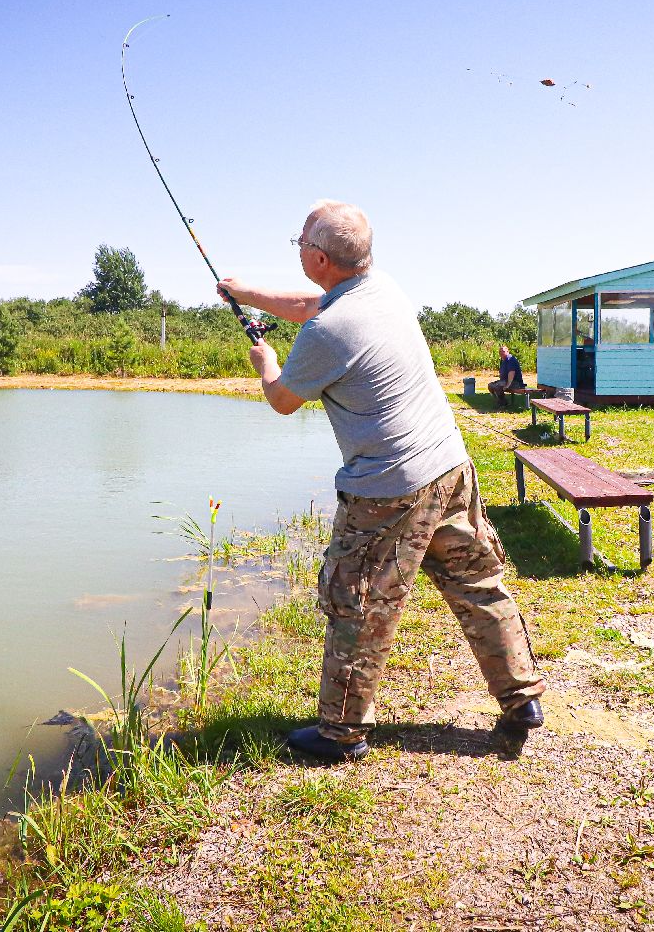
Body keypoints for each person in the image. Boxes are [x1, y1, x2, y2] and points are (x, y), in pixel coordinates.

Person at [219, 199, 546, 763]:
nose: (296, 248)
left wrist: (265, 361)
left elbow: (281, 400)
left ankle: (340, 734)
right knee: (478, 585)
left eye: (298, 243)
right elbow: (309, 305)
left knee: (358, 602)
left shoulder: (325, 334)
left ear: (319, 257)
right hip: (449, 465)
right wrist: (245, 294)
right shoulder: (382, 290)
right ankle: (521, 699)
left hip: (390, 490)